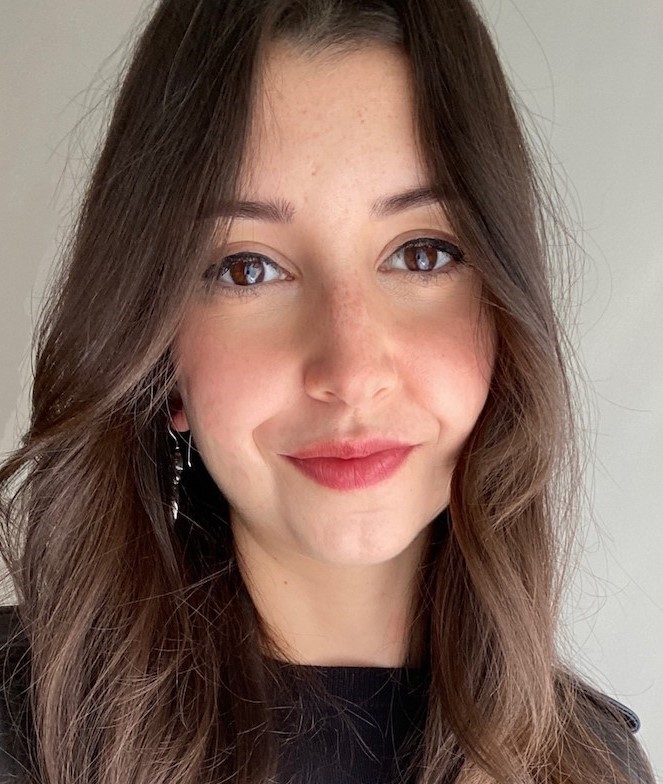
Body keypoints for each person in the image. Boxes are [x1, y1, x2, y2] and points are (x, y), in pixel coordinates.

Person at [0, 1, 656, 782]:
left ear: (505, 321)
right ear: (159, 357)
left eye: (421, 254)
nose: (349, 373)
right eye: (248, 268)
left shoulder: (592, 765)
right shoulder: (19, 730)